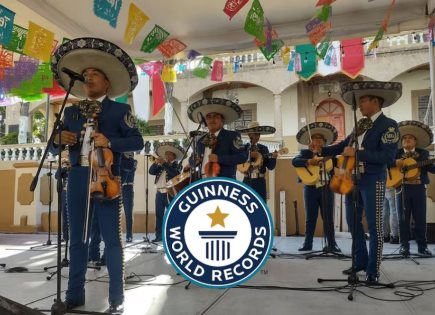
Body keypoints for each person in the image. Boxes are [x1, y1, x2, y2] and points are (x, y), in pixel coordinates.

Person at [50, 37, 144, 314]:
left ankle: (116, 297)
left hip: (106, 177)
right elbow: (54, 147)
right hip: (78, 176)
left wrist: (110, 141)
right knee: (76, 239)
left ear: (107, 83)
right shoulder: (71, 110)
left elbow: (137, 142)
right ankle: (74, 295)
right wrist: (60, 138)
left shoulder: (120, 110)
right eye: (86, 75)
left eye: (95, 75)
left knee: (112, 240)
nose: (89, 78)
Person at [318, 81, 401, 284]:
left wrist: (359, 153)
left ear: (376, 102)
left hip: (373, 179)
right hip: (352, 180)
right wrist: (321, 149)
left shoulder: (389, 125)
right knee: (353, 223)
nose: (360, 105)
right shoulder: (361, 125)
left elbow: (389, 157)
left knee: (375, 226)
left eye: (364, 100)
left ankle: (373, 270)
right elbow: (344, 146)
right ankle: (360, 262)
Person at [292, 122, 341, 253]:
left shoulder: (330, 154)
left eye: (320, 139)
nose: (317, 141)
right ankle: (307, 243)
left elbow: (340, 163)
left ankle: (332, 244)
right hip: (310, 188)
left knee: (328, 218)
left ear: (325, 142)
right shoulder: (305, 152)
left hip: (326, 188)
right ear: (310, 141)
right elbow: (295, 162)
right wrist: (308, 161)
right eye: (314, 138)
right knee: (310, 217)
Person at [394, 120, 435, 256]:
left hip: (418, 189)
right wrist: (396, 164)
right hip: (402, 189)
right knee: (402, 219)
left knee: (420, 219)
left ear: (415, 141)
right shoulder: (396, 153)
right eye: (405, 138)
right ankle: (404, 247)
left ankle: (422, 247)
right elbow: (387, 167)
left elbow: (430, 167)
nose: (407, 140)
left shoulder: (423, 154)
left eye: (410, 138)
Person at [187, 98, 248, 179]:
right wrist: (195, 161)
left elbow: (242, 157)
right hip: (203, 183)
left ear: (222, 120)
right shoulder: (200, 140)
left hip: (225, 183)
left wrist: (219, 159)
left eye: (215, 116)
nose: (212, 119)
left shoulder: (233, 136)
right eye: (208, 117)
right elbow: (191, 160)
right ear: (205, 121)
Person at [149, 142, 184, 243]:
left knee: (172, 215)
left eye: (169, 154)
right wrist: (156, 162)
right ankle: (159, 236)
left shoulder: (177, 165)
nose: (167, 156)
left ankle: (173, 236)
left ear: (174, 156)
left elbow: (175, 174)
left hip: (170, 193)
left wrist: (164, 164)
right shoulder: (160, 166)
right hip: (159, 193)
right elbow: (151, 172)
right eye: (166, 154)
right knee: (159, 215)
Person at [237, 121, 277, 201]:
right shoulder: (244, 148)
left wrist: (273, 157)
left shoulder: (263, 148)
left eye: (259, 134)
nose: (257, 136)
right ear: (249, 135)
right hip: (247, 180)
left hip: (260, 182)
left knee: (261, 205)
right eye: (255, 134)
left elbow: (271, 166)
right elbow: (239, 163)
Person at [120, 152, 137, 243]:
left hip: (128, 188)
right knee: (115, 212)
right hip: (118, 187)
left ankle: (129, 234)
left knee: (128, 213)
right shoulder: (120, 160)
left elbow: (128, 169)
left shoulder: (133, 162)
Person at [55, 158, 70, 242]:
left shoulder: (72, 168)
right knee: (64, 214)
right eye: (63, 163)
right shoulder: (63, 170)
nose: (65, 164)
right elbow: (57, 176)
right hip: (64, 193)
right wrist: (61, 167)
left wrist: (68, 166)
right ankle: (65, 236)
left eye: (66, 163)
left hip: (73, 192)